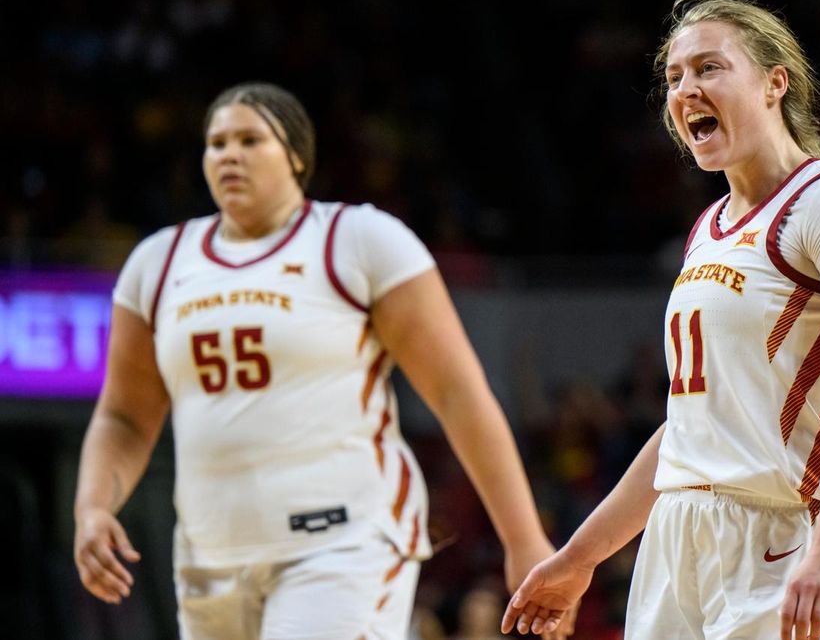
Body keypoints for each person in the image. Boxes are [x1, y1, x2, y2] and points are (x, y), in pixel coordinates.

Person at [72, 82, 564, 640]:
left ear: (297, 156)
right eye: (216, 143)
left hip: (343, 543)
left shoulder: (358, 239)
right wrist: (91, 507)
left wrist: (523, 538)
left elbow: (459, 394)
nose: (229, 154)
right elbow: (124, 417)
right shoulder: (157, 263)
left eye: (250, 139)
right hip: (209, 554)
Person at [503, 0, 820, 640]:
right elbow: (687, 431)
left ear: (776, 83)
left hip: (780, 533)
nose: (686, 89)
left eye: (709, 68)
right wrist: (579, 558)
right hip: (676, 537)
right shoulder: (707, 231)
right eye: (673, 77)